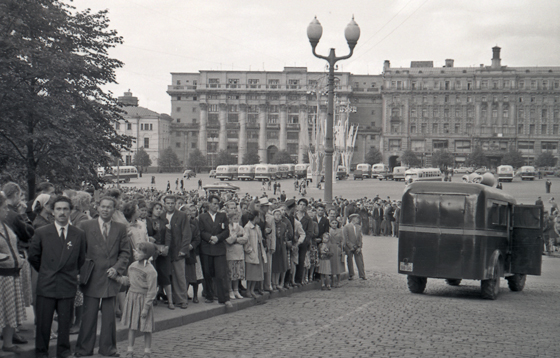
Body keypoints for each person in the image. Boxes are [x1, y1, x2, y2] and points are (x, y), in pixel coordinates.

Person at [28, 196, 86, 358]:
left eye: (65, 209)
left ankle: (63, 352)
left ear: (71, 211)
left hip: (67, 285)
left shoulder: (78, 234)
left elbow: (81, 259)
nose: (62, 212)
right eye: (58, 209)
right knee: (44, 324)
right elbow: (34, 257)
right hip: (47, 284)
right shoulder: (41, 232)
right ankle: (41, 353)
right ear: (52, 211)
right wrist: (48, 271)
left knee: (65, 324)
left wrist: (70, 274)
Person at [75, 196, 131, 357]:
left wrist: (117, 268)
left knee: (109, 317)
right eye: (103, 206)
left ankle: (108, 348)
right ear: (97, 208)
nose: (105, 209)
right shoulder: (85, 225)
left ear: (114, 210)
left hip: (110, 277)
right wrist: (82, 270)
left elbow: (125, 252)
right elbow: (80, 251)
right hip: (91, 276)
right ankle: (84, 349)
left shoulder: (120, 228)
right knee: (89, 315)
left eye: (109, 207)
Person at [0, 192, 28, 355]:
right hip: (2, 274)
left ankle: (8, 343)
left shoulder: (5, 225)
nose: (6, 211)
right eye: (3, 208)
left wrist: (18, 258)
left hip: (12, 274)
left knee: (10, 310)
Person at [119, 242, 158, 358]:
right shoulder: (132, 266)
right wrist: (117, 278)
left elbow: (152, 291)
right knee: (132, 325)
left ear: (147, 255)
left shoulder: (151, 271)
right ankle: (130, 350)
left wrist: (146, 308)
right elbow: (129, 281)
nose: (136, 253)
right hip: (132, 298)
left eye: (140, 252)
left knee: (146, 327)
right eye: (136, 250)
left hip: (143, 299)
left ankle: (147, 351)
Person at [198, 195, 231, 307]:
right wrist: (210, 238)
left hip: (219, 248)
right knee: (207, 273)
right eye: (213, 203)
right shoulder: (202, 217)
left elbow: (226, 231)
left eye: (217, 204)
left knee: (221, 274)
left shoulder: (222, 216)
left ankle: (224, 298)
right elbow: (201, 231)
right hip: (207, 248)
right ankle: (209, 295)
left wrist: (218, 238)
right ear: (208, 204)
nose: (215, 206)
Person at [162, 195, 191, 309]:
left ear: (176, 204)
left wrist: (183, 249)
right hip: (165, 251)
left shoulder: (182, 216)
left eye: (172, 203)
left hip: (178, 250)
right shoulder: (162, 215)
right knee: (167, 275)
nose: (170, 205)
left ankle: (182, 299)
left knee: (179, 275)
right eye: (168, 203)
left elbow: (186, 233)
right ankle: (171, 298)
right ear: (164, 203)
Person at [146, 202, 174, 309]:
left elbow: (168, 234)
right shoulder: (147, 221)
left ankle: (170, 300)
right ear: (152, 209)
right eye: (156, 208)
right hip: (152, 250)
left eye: (160, 209)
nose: (159, 210)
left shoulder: (165, 221)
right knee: (152, 275)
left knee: (165, 274)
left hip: (163, 250)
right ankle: (152, 299)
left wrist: (167, 246)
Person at [243, 210, 266, 299]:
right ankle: (248, 290)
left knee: (256, 273)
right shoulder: (247, 227)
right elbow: (246, 241)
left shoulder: (257, 227)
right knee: (251, 273)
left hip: (258, 251)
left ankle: (252, 290)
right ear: (255, 217)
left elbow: (260, 239)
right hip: (252, 252)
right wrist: (249, 250)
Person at [225, 210, 247, 299]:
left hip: (239, 254)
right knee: (231, 274)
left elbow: (245, 239)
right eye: (234, 219)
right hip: (231, 254)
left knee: (237, 273)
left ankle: (236, 290)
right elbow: (229, 240)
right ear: (230, 219)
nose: (236, 221)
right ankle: (230, 290)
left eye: (237, 219)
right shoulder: (228, 228)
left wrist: (237, 240)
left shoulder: (241, 228)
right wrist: (236, 236)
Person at [294, 198, 313, 285]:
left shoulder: (308, 219)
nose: (302, 206)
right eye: (300, 204)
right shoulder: (294, 216)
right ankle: (292, 279)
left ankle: (299, 279)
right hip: (294, 241)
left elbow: (309, 232)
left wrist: (305, 242)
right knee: (293, 260)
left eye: (304, 205)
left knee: (301, 260)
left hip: (303, 243)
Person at [343, 213, 366, 280]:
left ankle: (362, 274)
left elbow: (360, 237)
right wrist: (351, 246)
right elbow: (346, 238)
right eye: (357, 218)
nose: (358, 220)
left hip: (357, 246)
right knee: (350, 260)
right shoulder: (346, 227)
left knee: (360, 260)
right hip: (349, 247)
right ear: (353, 219)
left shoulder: (358, 227)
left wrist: (359, 246)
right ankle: (351, 274)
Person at [328, 217, 345, 288]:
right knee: (332, 264)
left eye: (335, 223)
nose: (334, 225)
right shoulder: (329, 231)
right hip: (331, 247)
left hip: (338, 248)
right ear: (330, 224)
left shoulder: (340, 231)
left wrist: (342, 247)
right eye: (333, 223)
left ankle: (338, 281)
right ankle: (332, 281)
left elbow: (343, 240)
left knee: (338, 265)